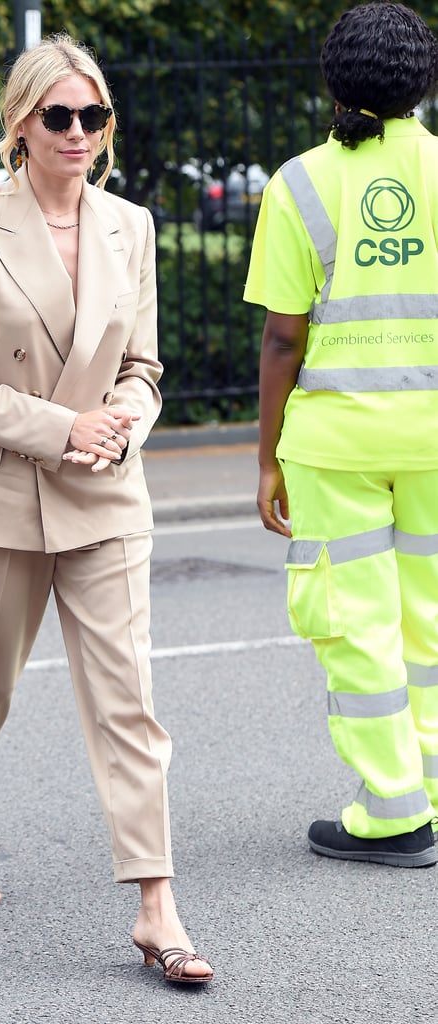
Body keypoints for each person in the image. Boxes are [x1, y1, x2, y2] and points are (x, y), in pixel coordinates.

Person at [0, 33, 213, 984]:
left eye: (95, 115)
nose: (80, 131)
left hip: (104, 495)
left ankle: (156, 906)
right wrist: (64, 426)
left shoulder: (132, 226)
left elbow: (143, 367)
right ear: (22, 122)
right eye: (60, 115)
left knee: (128, 706)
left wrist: (122, 422)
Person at [245, 1, 438, 867]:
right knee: (428, 624)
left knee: (356, 625)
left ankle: (393, 812)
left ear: (331, 82)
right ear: (425, 84)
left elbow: (283, 337)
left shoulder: (297, 183)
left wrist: (264, 460)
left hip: (334, 445)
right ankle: (427, 791)